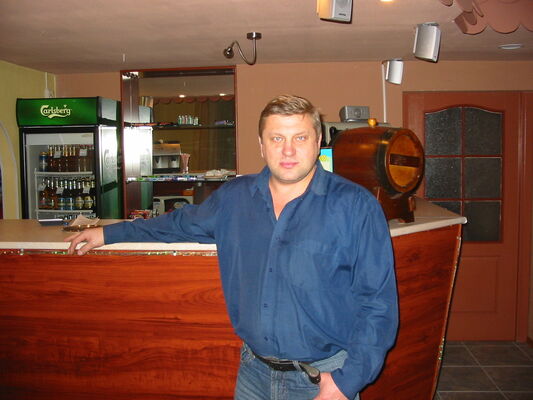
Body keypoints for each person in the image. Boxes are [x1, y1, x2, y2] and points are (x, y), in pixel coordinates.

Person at [67, 94, 398, 400]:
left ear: (319, 140)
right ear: (261, 145)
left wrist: (347, 381)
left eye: (300, 138)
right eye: (277, 138)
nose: (288, 150)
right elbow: (176, 224)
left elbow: (378, 304)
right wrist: (108, 233)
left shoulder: (355, 206)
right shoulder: (235, 198)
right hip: (254, 373)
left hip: (322, 378)